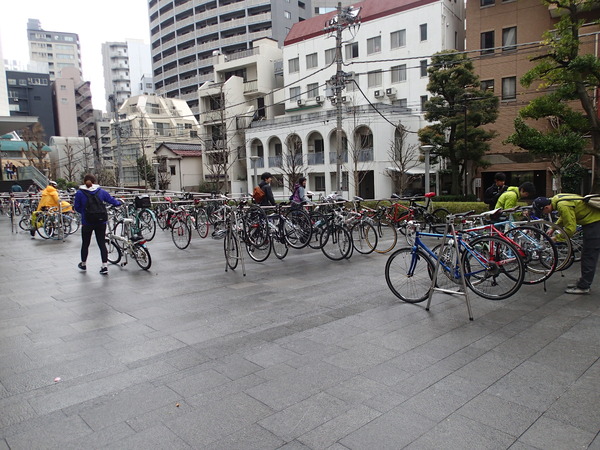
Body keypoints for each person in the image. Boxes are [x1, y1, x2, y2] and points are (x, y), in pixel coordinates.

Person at [533, 195, 600, 295]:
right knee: (588, 254)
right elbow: (564, 217)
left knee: (589, 255)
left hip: (595, 223)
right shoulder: (556, 199)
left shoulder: (562, 205)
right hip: (593, 221)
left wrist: (557, 238)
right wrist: (553, 228)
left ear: (546, 208)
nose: (544, 214)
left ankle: (584, 286)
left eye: (543, 212)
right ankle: (583, 282)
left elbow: (570, 229)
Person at [74, 174, 121, 275]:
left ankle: (83, 263)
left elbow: (76, 207)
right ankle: (104, 266)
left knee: (85, 243)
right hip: (101, 221)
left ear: (84, 182)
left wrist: (84, 212)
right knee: (101, 243)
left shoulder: (79, 193)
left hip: (87, 222)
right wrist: (118, 203)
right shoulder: (101, 191)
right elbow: (112, 201)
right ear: (94, 182)